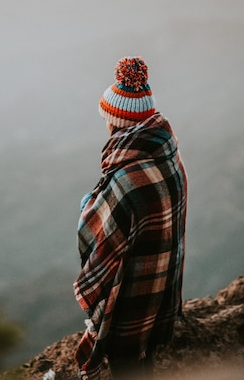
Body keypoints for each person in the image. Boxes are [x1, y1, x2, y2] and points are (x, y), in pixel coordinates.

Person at [73, 57, 187, 380]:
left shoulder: (126, 179)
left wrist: (88, 204)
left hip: (132, 296)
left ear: (118, 122)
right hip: (162, 286)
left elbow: (93, 229)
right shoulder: (168, 153)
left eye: (108, 119)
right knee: (143, 359)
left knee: (125, 365)